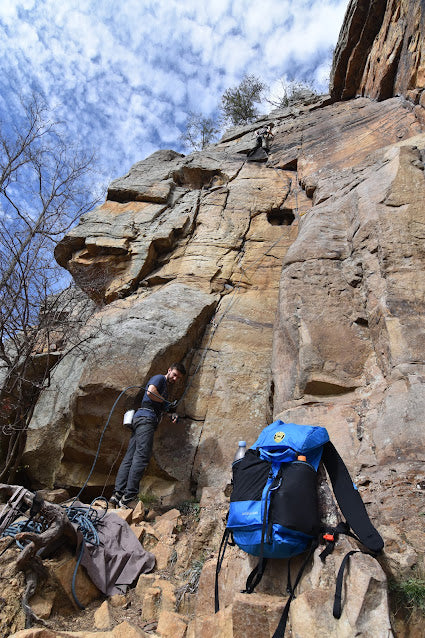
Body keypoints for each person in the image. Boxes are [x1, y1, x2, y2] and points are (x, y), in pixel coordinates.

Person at [110, 363, 186, 509]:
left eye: (179, 378)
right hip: (146, 419)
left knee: (130, 457)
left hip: (141, 419)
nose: (175, 379)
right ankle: (128, 496)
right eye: (174, 374)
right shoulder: (159, 379)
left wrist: (170, 413)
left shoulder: (164, 389)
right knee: (141, 457)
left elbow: (159, 404)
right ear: (169, 370)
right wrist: (166, 402)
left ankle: (117, 494)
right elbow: (150, 392)